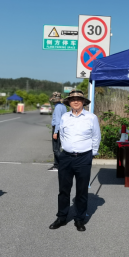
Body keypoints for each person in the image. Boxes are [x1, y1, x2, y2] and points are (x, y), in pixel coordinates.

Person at [49, 89, 100, 232]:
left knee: (81, 190)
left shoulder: (91, 117)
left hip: (84, 157)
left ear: (83, 102)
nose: (76, 101)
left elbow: (96, 136)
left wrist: (91, 154)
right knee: (63, 190)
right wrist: (65, 148)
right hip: (66, 157)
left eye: (78, 99)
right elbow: (62, 135)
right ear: (69, 102)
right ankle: (61, 217)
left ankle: (79, 219)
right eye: (72, 100)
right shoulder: (65, 117)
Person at [48, 92, 67, 172]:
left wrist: (55, 132)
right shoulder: (63, 106)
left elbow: (58, 120)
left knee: (56, 149)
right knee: (58, 148)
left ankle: (64, 164)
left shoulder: (58, 107)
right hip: (61, 129)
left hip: (57, 129)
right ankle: (56, 165)